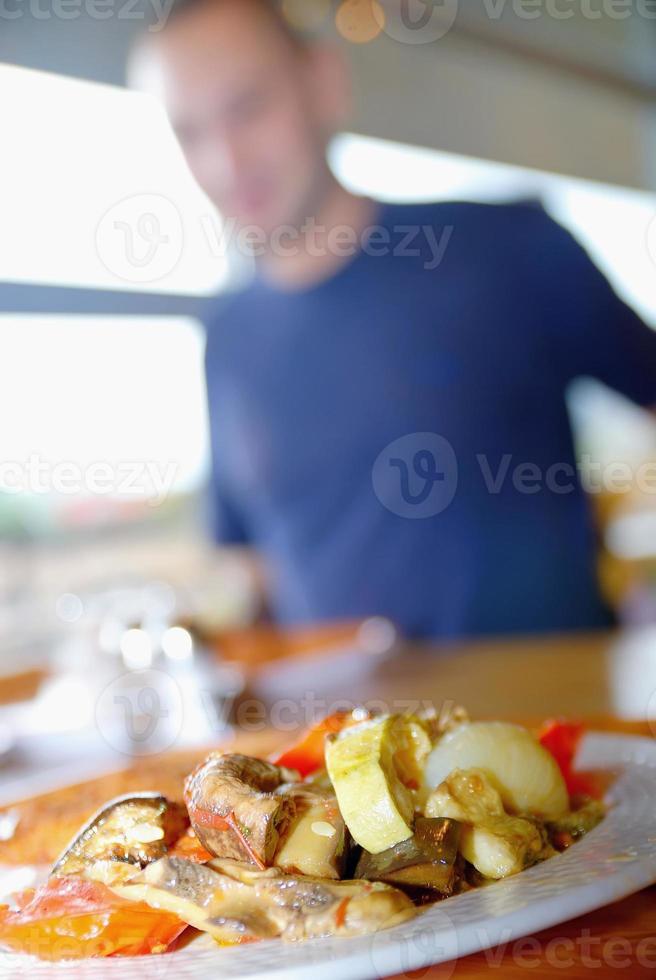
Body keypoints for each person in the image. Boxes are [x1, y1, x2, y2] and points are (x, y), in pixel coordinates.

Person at [136, 0, 656, 638]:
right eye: (191, 132)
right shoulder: (229, 339)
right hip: (336, 735)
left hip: (544, 726)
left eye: (247, 107)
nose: (226, 160)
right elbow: (248, 564)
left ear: (325, 84)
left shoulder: (508, 249)